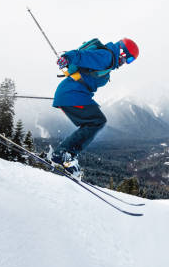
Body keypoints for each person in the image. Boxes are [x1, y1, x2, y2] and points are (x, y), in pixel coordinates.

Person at [49, 37, 139, 176]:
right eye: (129, 59)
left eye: (130, 61)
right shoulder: (107, 56)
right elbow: (83, 56)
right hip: (71, 94)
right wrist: (67, 58)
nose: (126, 63)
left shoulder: (109, 61)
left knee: (95, 121)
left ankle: (66, 154)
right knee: (96, 121)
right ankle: (63, 154)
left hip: (74, 93)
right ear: (123, 51)